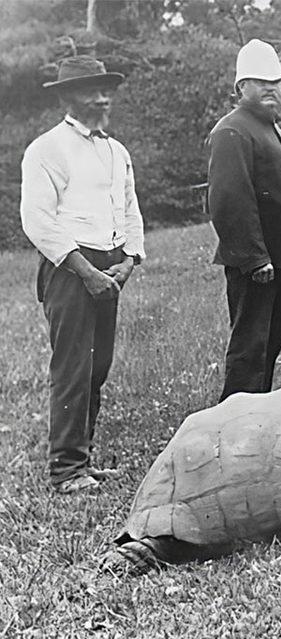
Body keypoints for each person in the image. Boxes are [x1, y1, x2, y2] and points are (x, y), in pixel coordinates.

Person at [20, 56, 146, 494]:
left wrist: (129, 261)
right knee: (72, 368)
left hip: (110, 267)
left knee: (98, 367)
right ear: (66, 96)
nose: (103, 96)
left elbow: (129, 210)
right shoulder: (46, 149)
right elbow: (38, 221)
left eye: (107, 88)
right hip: (69, 270)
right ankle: (66, 469)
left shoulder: (116, 150)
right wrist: (85, 270)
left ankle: (83, 459)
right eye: (92, 89)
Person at [207, 39, 281, 401]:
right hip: (259, 263)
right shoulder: (232, 130)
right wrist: (255, 258)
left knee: (268, 348)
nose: (272, 88)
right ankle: (233, 430)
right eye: (261, 81)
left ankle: (256, 424)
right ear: (242, 88)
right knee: (249, 352)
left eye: (278, 82)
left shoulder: (271, 129)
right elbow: (228, 202)